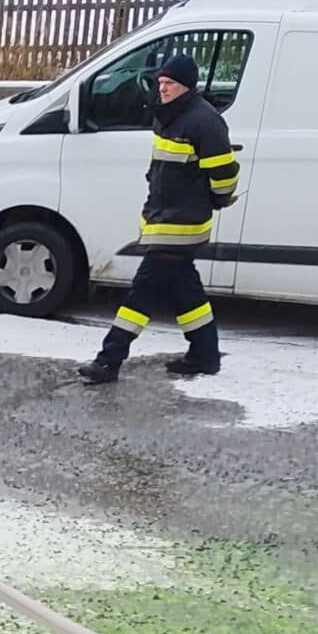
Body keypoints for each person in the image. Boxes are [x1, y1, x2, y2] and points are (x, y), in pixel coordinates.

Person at [78, 50, 240, 384]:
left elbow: (224, 174)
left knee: (142, 293)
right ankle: (205, 355)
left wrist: (218, 198)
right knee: (186, 292)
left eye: (170, 84)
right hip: (163, 218)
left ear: (187, 86)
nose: (162, 88)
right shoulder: (168, 117)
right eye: (161, 82)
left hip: (181, 224)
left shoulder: (205, 121)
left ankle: (109, 360)